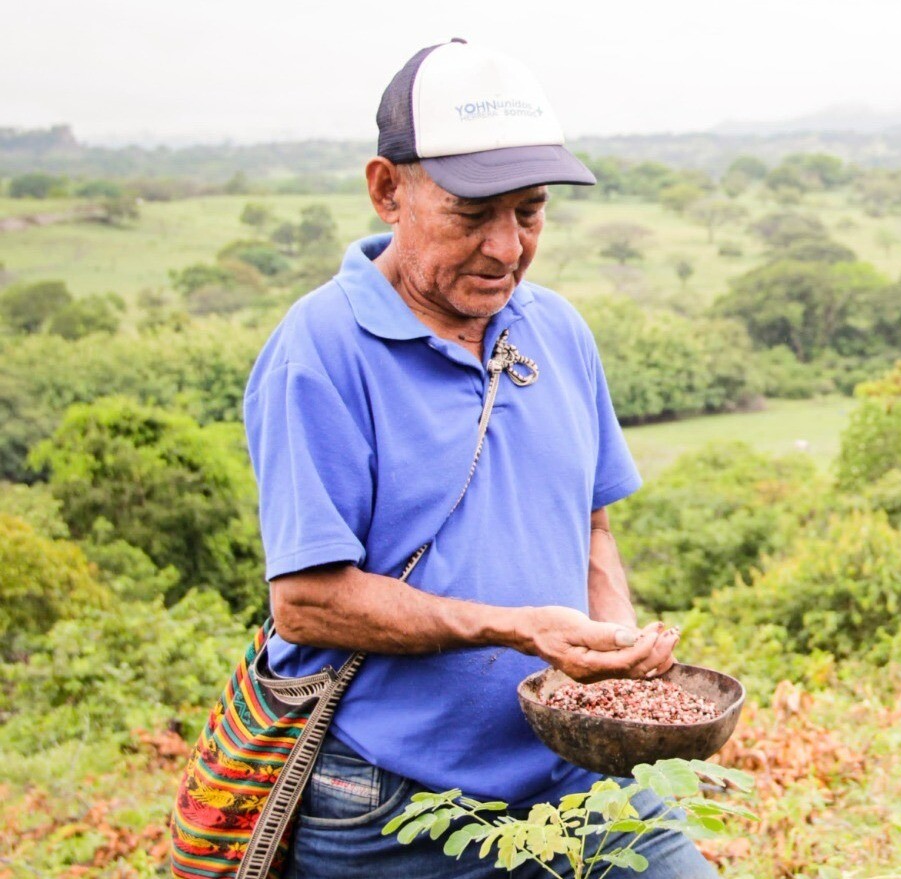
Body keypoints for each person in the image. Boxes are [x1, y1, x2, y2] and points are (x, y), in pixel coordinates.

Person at [243, 39, 717, 877]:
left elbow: (590, 524)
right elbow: (308, 604)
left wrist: (614, 652)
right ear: (388, 190)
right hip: (401, 805)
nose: (507, 248)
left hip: (583, 775)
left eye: (529, 212)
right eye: (472, 214)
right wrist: (521, 628)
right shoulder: (319, 351)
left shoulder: (557, 329)